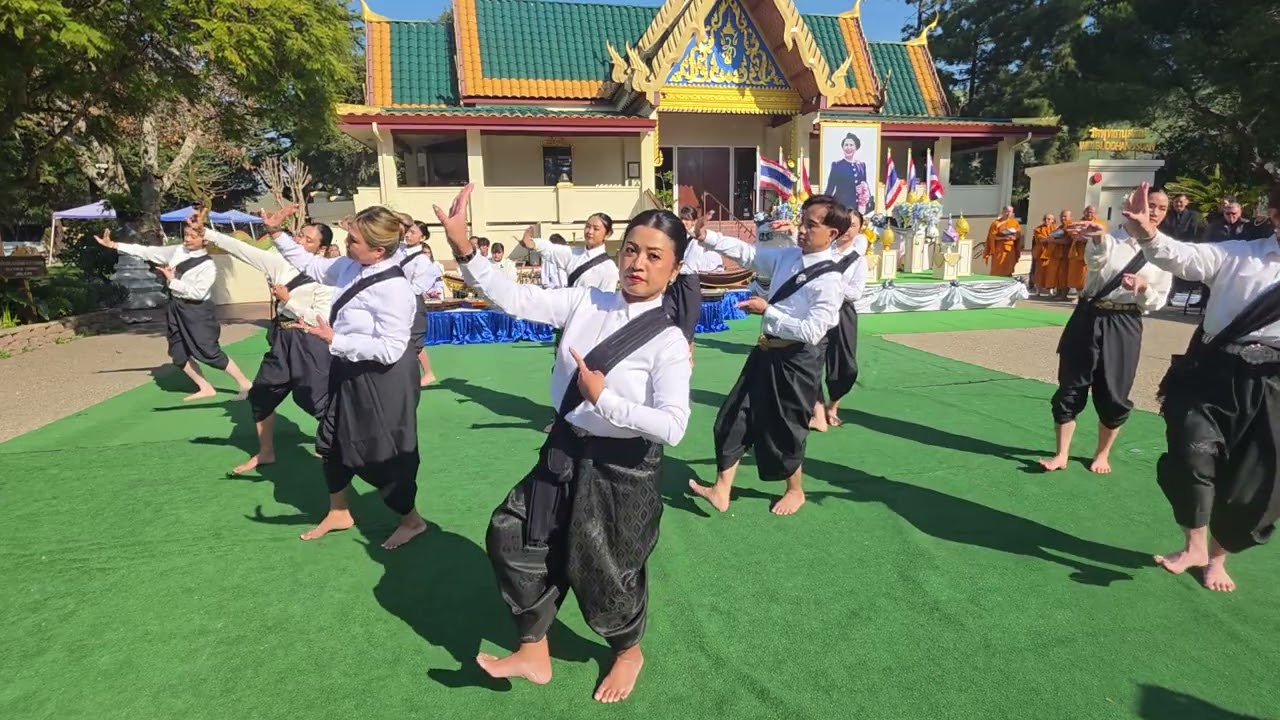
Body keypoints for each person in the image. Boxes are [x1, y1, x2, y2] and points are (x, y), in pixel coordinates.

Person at [434, 184, 691, 703]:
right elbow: (517, 298)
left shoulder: (668, 341)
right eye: (632, 250)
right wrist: (465, 249)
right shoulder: (586, 299)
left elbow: (674, 426)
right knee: (514, 535)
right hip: (566, 448)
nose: (638, 263)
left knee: (606, 568)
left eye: (654, 256)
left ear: (675, 268)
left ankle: (627, 651)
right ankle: (533, 648)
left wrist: (606, 401)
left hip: (624, 468)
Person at [1128, 182, 1280, 592]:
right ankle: (1192, 544)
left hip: (1273, 385)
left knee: (1252, 480)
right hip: (1214, 371)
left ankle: (1216, 558)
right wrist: (1147, 232)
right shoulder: (1238, 255)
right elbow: (1179, 256)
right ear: (1276, 216)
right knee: (1190, 453)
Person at [269, 205, 428, 550]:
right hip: (347, 367)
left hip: (384, 380)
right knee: (332, 440)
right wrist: (277, 234)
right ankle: (339, 511)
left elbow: (391, 349)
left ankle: (411, 520)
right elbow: (312, 265)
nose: (345, 241)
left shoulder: (395, 289)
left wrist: (335, 340)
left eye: (353, 238)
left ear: (378, 250)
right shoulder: (349, 265)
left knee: (386, 453)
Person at [689, 197, 848, 516]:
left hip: (797, 361)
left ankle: (796, 490)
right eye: (802, 221)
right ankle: (722, 489)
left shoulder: (830, 280)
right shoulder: (788, 256)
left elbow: (813, 332)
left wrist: (769, 311)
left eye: (810, 225)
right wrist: (706, 237)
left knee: (785, 428)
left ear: (831, 233)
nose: (801, 229)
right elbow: (749, 255)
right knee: (734, 414)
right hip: (765, 352)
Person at [1038, 188, 1174, 475]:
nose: (1155, 212)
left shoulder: (1165, 250)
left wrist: (1143, 287)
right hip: (1090, 315)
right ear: (1133, 205)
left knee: (1114, 392)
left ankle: (1102, 454)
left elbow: (1159, 299)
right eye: (1150, 205)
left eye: (1161, 208)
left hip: (1125, 323)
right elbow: (1095, 261)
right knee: (1071, 386)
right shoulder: (1109, 237)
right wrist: (1098, 238)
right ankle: (1061, 454)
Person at [197, 212, 335, 474]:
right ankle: (266, 452)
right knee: (261, 395)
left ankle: (332, 446)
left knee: (317, 400)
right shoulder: (280, 264)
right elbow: (243, 250)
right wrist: (206, 232)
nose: (299, 240)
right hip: (282, 340)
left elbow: (322, 320)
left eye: (307, 239)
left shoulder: (327, 276)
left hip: (310, 342)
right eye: (299, 235)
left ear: (322, 248)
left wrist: (288, 300)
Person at [94, 225, 253, 402]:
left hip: (198, 310)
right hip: (176, 307)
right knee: (178, 353)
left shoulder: (208, 266)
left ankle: (245, 383)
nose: (188, 239)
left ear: (204, 240)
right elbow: (147, 252)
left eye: (193, 236)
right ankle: (205, 387)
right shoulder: (177, 251)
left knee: (209, 352)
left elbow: (198, 293)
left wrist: (172, 281)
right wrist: (115, 245)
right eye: (186, 235)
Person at [812, 203, 868, 431]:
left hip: (842, 312)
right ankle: (816, 412)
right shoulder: (824, 251)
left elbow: (855, 292)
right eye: (845, 224)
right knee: (812, 360)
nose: (848, 229)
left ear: (859, 229)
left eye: (853, 225)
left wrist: (833, 286)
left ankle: (833, 404)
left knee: (845, 366)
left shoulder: (858, 259)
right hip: (818, 310)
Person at [401, 219, 442, 387]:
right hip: (396, 299)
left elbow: (418, 287)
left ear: (422, 238)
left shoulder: (423, 260)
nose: (408, 235)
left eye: (413, 232)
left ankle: (426, 373)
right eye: (408, 231)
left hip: (410, 300)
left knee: (414, 341)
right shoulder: (398, 250)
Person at [823, 132, 870, 213]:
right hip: (841, 207)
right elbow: (830, 187)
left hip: (856, 208)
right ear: (843, 147)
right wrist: (824, 205)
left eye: (851, 145)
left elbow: (864, 184)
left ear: (856, 147)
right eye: (846, 145)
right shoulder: (837, 165)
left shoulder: (862, 165)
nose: (848, 148)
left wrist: (864, 191)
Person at [983, 206, 1022, 277]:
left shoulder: (1014, 222)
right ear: (1003, 212)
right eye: (1007, 211)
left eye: (1010, 212)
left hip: (1010, 249)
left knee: (1009, 268)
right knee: (997, 268)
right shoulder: (996, 223)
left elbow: (1018, 235)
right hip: (999, 249)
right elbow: (992, 237)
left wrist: (1014, 237)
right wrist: (1004, 237)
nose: (1008, 213)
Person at [1031, 213, 1058, 296]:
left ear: (1053, 221)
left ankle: (1051, 290)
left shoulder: (1056, 229)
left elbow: (1057, 238)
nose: (1047, 220)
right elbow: (1041, 239)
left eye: (1049, 219)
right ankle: (1038, 290)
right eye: (1045, 219)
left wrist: (1051, 239)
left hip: (1053, 253)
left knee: (1052, 273)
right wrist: (1051, 239)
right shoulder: (1038, 229)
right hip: (1042, 253)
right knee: (1039, 272)